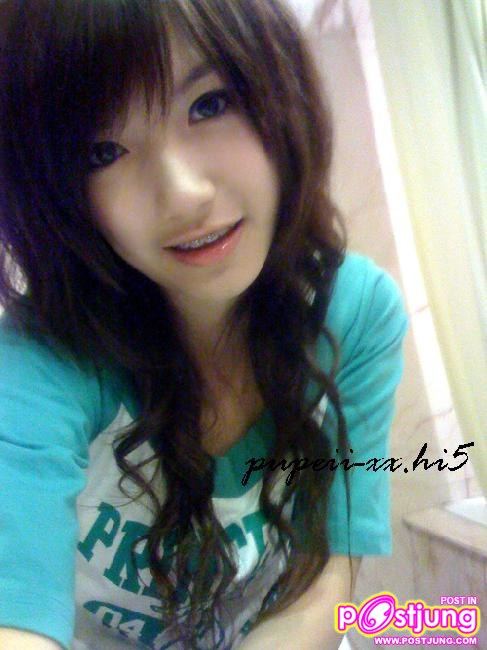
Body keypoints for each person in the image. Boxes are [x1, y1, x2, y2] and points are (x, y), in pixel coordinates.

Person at [0, 0, 409, 648]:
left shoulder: (352, 314)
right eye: (103, 150)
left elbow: (329, 569)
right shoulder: (41, 363)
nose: (183, 193)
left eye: (210, 103)